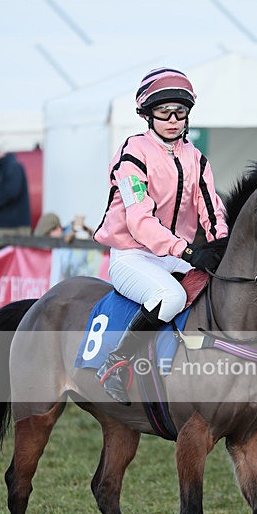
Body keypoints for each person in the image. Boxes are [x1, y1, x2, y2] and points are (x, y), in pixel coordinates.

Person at [93, 67, 228, 404]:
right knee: (171, 298)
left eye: (179, 113)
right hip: (132, 256)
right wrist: (188, 251)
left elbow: (211, 209)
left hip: (172, 256)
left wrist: (221, 245)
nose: (172, 120)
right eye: (163, 112)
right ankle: (117, 363)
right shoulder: (131, 154)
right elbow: (139, 220)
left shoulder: (197, 158)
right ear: (147, 115)